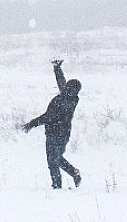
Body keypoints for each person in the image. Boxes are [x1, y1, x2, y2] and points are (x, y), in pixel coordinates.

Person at [21, 59, 82, 189]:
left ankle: (57, 186)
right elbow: (61, 82)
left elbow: (48, 117)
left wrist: (31, 124)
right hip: (62, 134)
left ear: (70, 90)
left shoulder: (62, 101)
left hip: (55, 134)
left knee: (53, 161)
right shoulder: (72, 98)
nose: (65, 87)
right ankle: (74, 173)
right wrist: (57, 68)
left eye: (67, 87)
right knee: (56, 158)